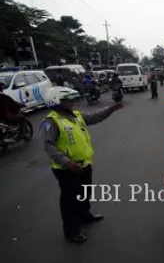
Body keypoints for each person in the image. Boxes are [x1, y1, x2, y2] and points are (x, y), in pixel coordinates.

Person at [41, 86, 123, 244]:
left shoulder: (76, 116)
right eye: (67, 100)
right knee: (69, 200)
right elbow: (48, 146)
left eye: (72, 99)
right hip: (66, 169)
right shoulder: (50, 122)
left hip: (84, 164)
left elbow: (95, 117)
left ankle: (85, 215)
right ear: (56, 102)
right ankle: (71, 231)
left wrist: (111, 109)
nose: (72, 102)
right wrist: (67, 162)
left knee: (85, 192)